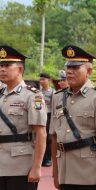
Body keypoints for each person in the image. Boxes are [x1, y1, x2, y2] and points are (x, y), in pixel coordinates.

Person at [50, 45, 96, 190]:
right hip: (65, 170)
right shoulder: (58, 97)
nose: (70, 72)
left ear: (89, 71)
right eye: (68, 67)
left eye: (76, 68)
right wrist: (55, 172)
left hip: (89, 172)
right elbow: (54, 137)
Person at [0, 45, 47, 190]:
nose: (2, 69)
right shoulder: (1, 94)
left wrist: (37, 167)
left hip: (21, 165)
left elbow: (41, 134)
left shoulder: (32, 96)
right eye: (1, 65)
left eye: (7, 65)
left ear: (20, 69)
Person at [39, 72, 55, 167]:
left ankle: (48, 158)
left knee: (49, 139)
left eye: (43, 79)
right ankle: (41, 158)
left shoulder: (53, 92)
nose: (41, 81)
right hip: (40, 116)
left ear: (48, 80)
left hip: (49, 116)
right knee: (40, 137)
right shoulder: (38, 92)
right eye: (40, 79)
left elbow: (54, 106)